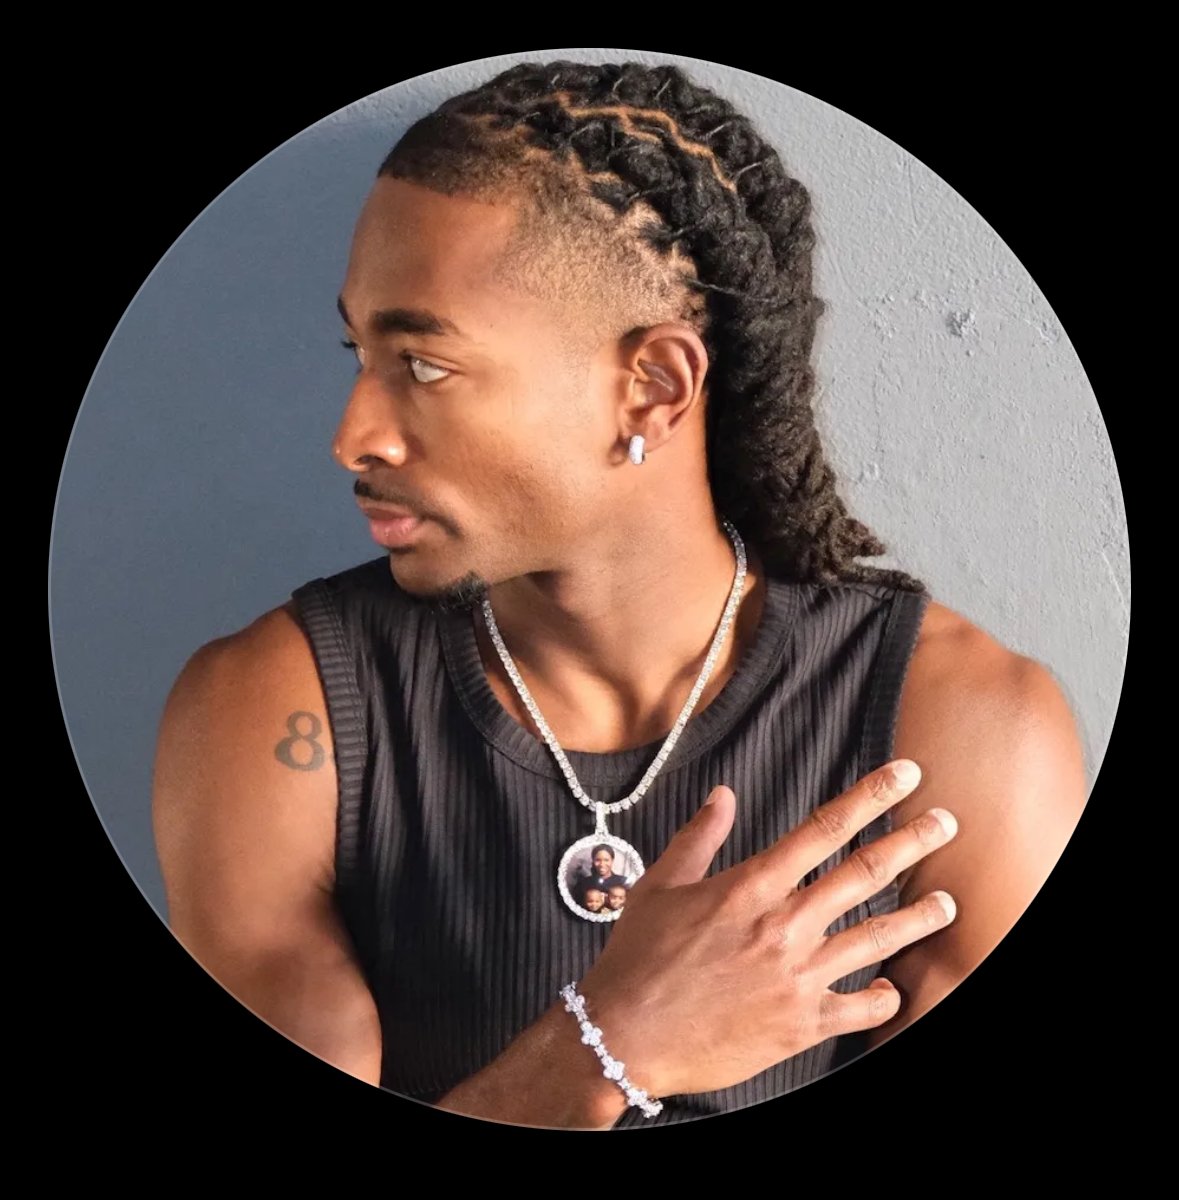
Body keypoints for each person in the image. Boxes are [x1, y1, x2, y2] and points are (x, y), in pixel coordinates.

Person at [152, 60, 1087, 1129]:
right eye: (358, 352)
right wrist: (609, 1046)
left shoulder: (959, 730)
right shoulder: (282, 712)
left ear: (653, 386)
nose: (353, 436)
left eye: (424, 366)